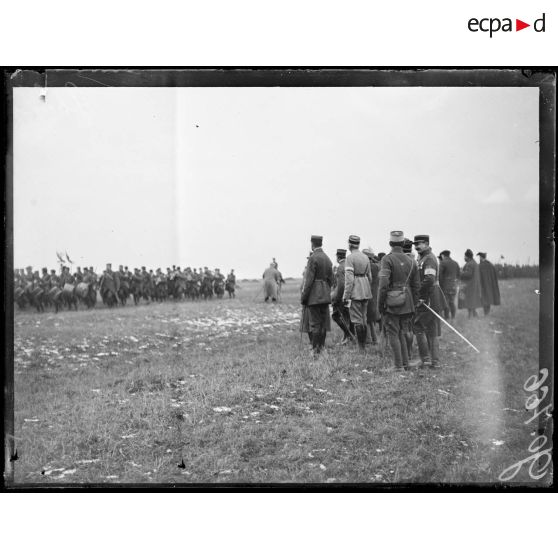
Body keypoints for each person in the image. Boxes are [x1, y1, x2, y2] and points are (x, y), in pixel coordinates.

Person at [378, 231, 420, 372]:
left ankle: (398, 366)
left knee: (393, 333)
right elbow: (416, 286)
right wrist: (413, 304)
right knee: (402, 332)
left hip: (392, 301)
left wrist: (380, 304)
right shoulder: (412, 261)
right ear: (403, 243)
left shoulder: (387, 259)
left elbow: (383, 285)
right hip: (408, 302)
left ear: (390, 243)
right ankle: (405, 364)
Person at [412, 234, 445, 369]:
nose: (416, 246)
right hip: (431, 297)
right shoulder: (424, 258)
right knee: (432, 329)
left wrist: (421, 295)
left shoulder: (429, 258)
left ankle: (425, 360)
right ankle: (434, 362)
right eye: (415, 244)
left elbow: (429, 279)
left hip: (429, 297)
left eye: (418, 244)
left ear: (426, 243)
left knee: (418, 325)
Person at [300, 235, 333, 355]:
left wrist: (304, 297)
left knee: (314, 324)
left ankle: (315, 351)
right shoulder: (328, 258)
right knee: (323, 324)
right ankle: (321, 348)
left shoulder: (313, 258)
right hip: (325, 295)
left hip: (314, 296)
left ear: (312, 244)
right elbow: (331, 280)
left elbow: (308, 281)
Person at [342, 235, 372, 351]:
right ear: (358, 244)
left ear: (349, 244)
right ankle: (363, 346)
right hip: (365, 289)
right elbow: (370, 277)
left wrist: (346, 296)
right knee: (364, 318)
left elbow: (349, 280)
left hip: (356, 291)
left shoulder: (350, 258)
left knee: (357, 320)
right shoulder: (365, 257)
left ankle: (361, 348)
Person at [330, 248, 354, 344]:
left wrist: (337, 298)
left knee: (336, 316)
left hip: (342, 296)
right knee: (347, 316)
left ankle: (348, 335)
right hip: (350, 295)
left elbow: (341, 286)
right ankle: (348, 337)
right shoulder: (348, 265)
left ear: (338, 256)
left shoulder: (340, 267)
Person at [362, 248, 380, 345]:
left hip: (367, 294)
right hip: (375, 295)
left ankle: (368, 339)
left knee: (366, 318)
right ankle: (374, 339)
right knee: (371, 319)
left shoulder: (368, 267)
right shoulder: (376, 266)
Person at [459, 249, 482, 318]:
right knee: (472, 301)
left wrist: (460, 273)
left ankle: (470, 315)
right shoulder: (474, 263)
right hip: (474, 285)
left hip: (469, 286)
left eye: (465, 256)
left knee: (468, 301)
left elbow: (468, 275)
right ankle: (474, 314)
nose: (464, 258)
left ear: (467, 256)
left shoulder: (469, 264)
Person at [439, 250, 460, 320]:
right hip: (453, 286)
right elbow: (458, 275)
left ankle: (446, 317)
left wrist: (440, 286)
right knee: (452, 302)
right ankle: (453, 317)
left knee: (446, 302)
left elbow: (440, 276)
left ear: (443, 255)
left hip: (445, 286)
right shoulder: (455, 263)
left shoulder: (442, 263)